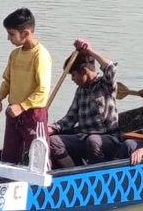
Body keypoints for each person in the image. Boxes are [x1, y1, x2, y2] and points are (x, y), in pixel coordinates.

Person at [47, 39, 121, 168]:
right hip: (83, 138)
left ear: (84, 72)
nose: (72, 79)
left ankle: (98, 174)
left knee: (93, 141)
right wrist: (49, 129)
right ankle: (74, 171)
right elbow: (69, 119)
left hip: (108, 139)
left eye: (74, 75)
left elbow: (110, 67)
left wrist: (89, 51)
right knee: (53, 141)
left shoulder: (104, 85)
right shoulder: (80, 91)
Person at [0, 8, 52, 164]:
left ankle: (44, 186)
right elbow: (8, 81)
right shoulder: (15, 55)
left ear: (26, 33)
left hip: (33, 114)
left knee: (39, 158)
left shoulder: (41, 55)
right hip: (13, 113)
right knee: (9, 157)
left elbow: (42, 90)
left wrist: (22, 106)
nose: (8, 38)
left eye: (11, 34)